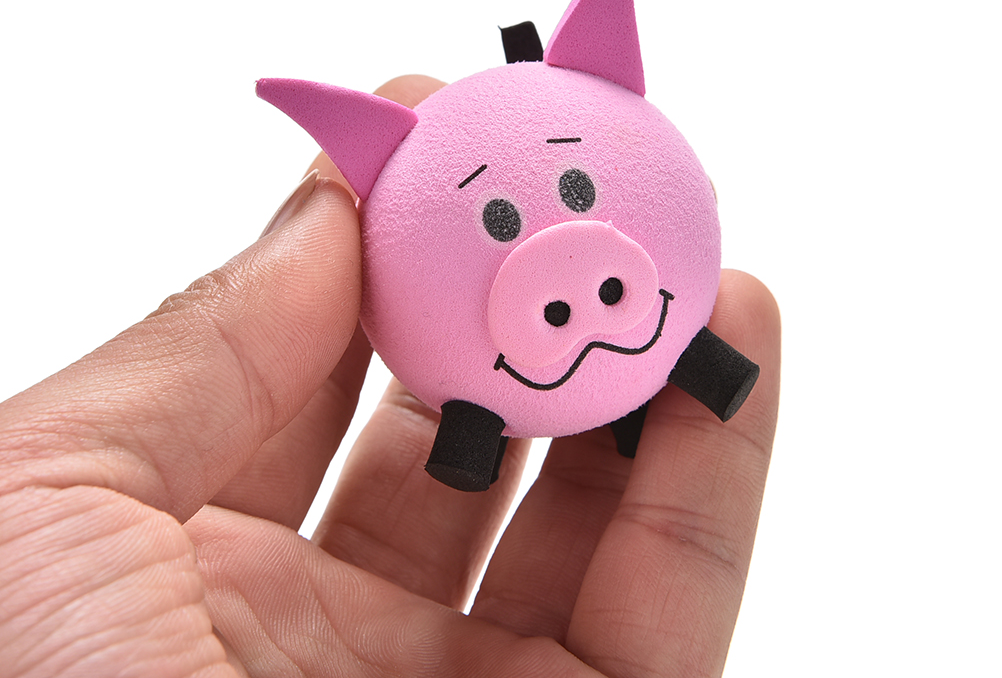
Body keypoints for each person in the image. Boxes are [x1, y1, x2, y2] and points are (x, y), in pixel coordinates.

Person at [0, 75, 780, 678]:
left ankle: (668, 376)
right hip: (482, 400)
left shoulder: (621, 142)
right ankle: (575, 412)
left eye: (579, 191)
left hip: (644, 336)